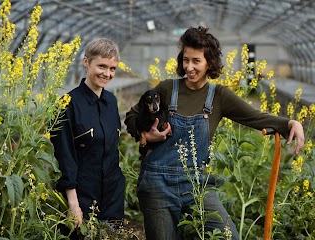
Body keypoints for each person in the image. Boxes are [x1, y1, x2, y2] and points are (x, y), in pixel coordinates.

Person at [124, 26, 304, 240]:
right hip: (157, 184)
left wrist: (290, 123)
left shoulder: (218, 95)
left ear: (209, 62)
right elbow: (131, 117)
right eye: (186, 60)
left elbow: (254, 117)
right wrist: (146, 136)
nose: (189, 67)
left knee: (229, 236)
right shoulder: (166, 89)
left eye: (196, 61)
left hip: (197, 185)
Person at [51, 37, 125, 239]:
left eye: (112, 68)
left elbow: (112, 147)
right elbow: (65, 156)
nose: (107, 73)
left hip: (112, 197)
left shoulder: (111, 101)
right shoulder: (67, 104)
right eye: (101, 66)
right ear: (86, 62)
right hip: (83, 198)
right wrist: (73, 204)